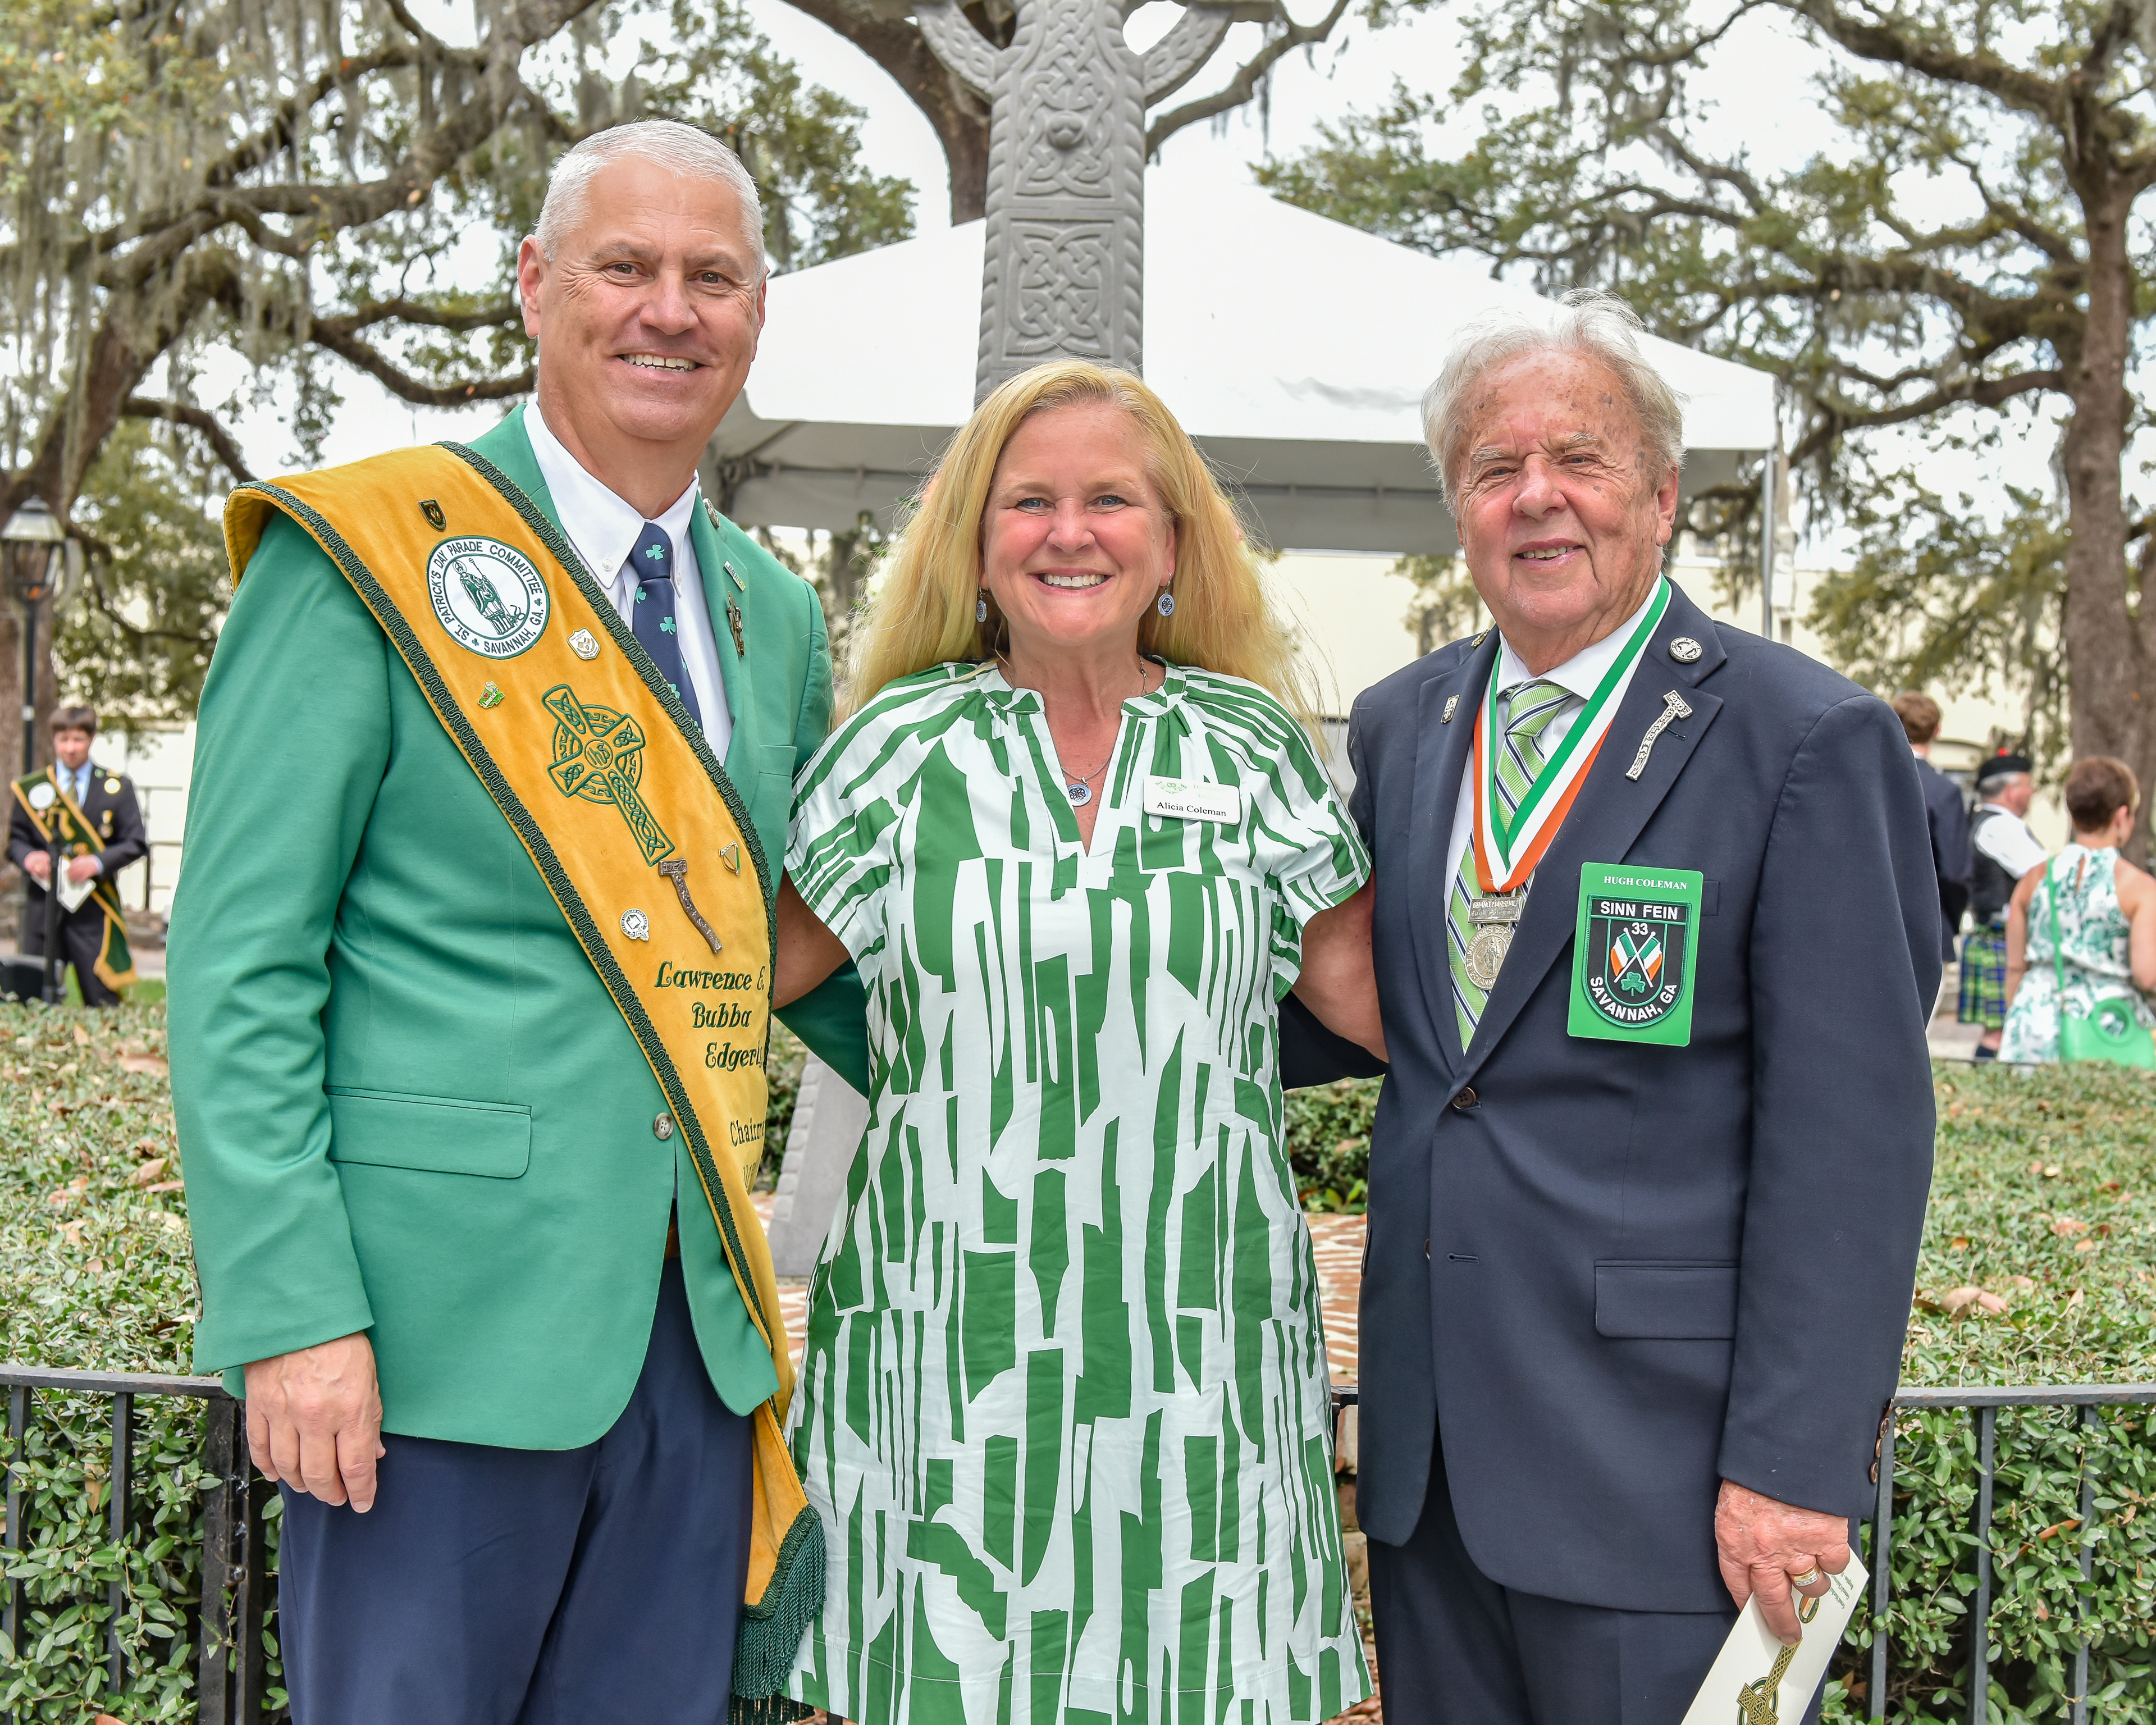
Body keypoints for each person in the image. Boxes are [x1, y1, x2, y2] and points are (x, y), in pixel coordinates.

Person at [169, 120, 862, 1723]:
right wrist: (292, 1310)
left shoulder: (769, 612)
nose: (669, 310)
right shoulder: (364, 551)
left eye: (713, 277)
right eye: (626, 266)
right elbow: (241, 964)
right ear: (538, 286)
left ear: (756, 315)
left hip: (692, 1346)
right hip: (429, 1346)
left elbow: (792, 940)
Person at [1278, 290, 1938, 1724]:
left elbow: (1854, 1141)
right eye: (1494, 468)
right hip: (1432, 1472)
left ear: (1660, 495)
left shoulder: (1801, 737)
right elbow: (1377, 1019)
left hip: (1665, 1478)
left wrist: (1794, 1465)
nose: (1537, 497)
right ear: (1458, 507)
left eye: (1577, 458)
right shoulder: (1401, 725)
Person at [768, 360, 1384, 1724]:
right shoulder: (894, 751)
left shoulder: (1251, 751)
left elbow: (1395, 1013)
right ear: (974, 543)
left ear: (1170, 543)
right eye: (1029, 500)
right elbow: (733, 981)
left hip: (1200, 1357)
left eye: (1110, 499)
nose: (1069, 531)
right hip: (944, 1347)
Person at [1998, 756, 2156, 1064]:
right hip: (2108, 1025)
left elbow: (2016, 968)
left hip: (2035, 1022)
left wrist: (2019, 1019)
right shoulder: (2139, 888)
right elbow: (2147, 976)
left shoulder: (2034, 880)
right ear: (2122, 816)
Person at [7, 704, 147, 1006]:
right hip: (42, 911)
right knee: (32, 1002)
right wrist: (30, 858)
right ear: (54, 740)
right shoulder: (33, 789)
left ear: (92, 738)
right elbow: (16, 840)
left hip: (93, 912)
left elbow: (136, 843)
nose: (70, 748)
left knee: (102, 1004)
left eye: (78, 740)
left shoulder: (117, 787)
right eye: (64, 740)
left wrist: (97, 862)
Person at [1960, 752, 2049, 1061]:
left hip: (1996, 936)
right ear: (2011, 791)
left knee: (1999, 1030)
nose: (2032, 792)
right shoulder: (2000, 826)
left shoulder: (1989, 822)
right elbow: (2043, 875)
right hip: (2002, 938)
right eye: (2028, 785)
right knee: (2000, 1031)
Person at [1891, 691, 1972, 993]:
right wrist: (1951, 918)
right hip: (1926, 926)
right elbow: (1954, 872)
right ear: (1937, 731)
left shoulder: (1866, 780)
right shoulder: (1943, 792)